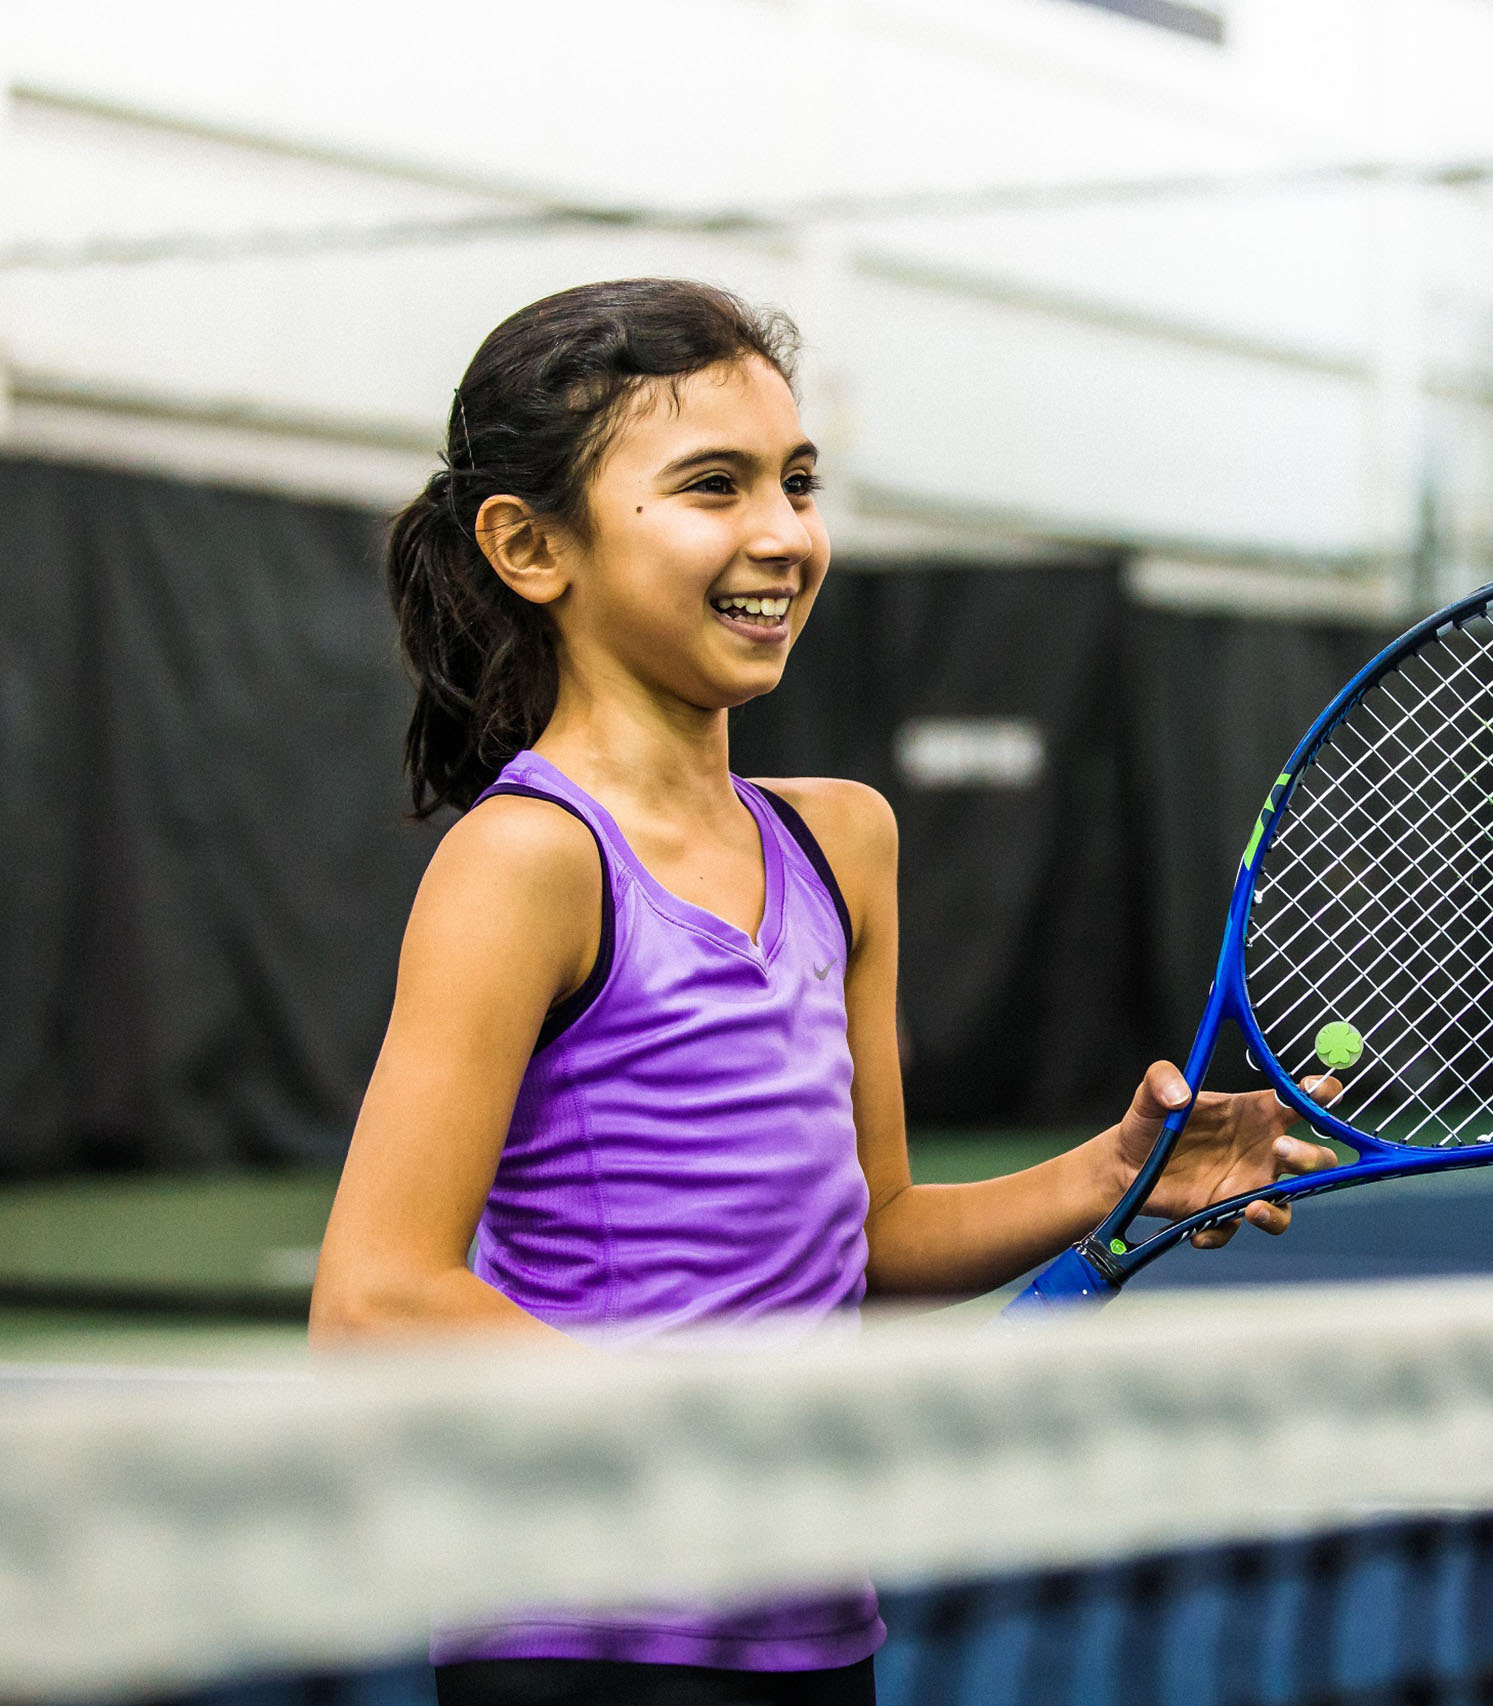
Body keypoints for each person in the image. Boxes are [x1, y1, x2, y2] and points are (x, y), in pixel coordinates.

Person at [308, 279, 1336, 1706]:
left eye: (798, 481)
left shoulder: (841, 840)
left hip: (809, 1624)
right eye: (712, 486)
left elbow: (878, 1231)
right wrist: (721, 1429)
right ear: (531, 545)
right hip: (583, 1636)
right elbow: (376, 1300)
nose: (784, 535)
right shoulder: (529, 860)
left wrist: (1114, 1171)